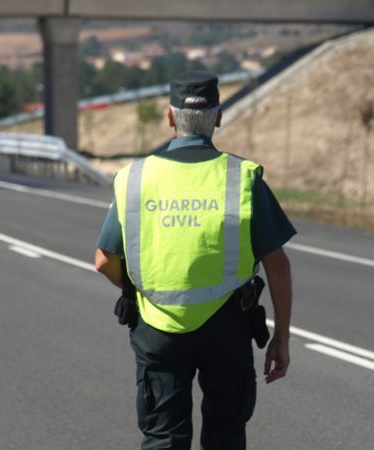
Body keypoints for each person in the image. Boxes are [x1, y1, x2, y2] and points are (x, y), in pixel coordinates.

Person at [94, 70, 295, 450]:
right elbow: (278, 265)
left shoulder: (135, 177)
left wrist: (139, 292)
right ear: (218, 117)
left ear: (170, 117)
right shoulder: (242, 177)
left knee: (164, 438)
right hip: (229, 327)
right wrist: (281, 337)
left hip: (157, 328)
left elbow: (104, 261)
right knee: (225, 436)